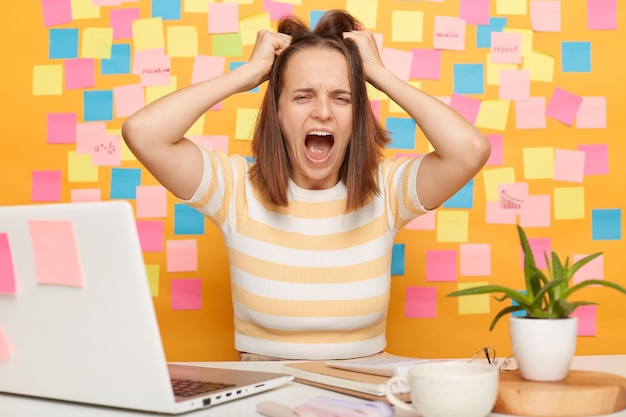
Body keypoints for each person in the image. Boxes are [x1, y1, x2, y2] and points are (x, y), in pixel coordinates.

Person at [122, 9, 491, 361]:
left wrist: (378, 74)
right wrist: (248, 74)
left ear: (357, 115)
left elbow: (469, 150)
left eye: (341, 98)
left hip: (366, 389)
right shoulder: (235, 190)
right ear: (277, 112)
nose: (323, 112)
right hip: (263, 391)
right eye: (302, 96)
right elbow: (143, 133)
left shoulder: (388, 192)